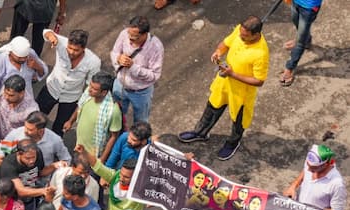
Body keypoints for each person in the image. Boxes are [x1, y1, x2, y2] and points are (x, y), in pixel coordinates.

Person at [178, 16, 269, 161]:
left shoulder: (261, 53)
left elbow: (259, 81)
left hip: (241, 93)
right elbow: (225, 43)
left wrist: (232, 74)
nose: (240, 36)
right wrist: (218, 52)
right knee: (211, 108)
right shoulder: (240, 32)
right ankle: (200, 133)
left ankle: (233, 142)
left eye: (245, 36)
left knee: (239, 121)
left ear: (256, 35)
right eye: (240, 33)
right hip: (224, 83)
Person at [38, 29, 101, 136]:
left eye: (76, 50)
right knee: (37, 118)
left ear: (84, 49)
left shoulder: (93, 62)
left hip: (71, 98)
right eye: (70, 48)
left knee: (59, 129)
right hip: (51, 89)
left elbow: (90, 87)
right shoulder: (61, 42)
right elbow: (46, 32)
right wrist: (51, 36)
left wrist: (74, 117)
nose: (71, 52)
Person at [109, 16, 163, 125]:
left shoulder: (156, 47)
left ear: (144, 34)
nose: (129, 39)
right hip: (120, 85)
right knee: (115, 116)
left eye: (134, 37)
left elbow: (154, 76)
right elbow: (114, 52)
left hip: (140, 92)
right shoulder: (124, 34)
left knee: (140, 123)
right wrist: (118, 58)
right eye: (129, 34)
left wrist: (133, 68)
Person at [77, 149, 145, 210]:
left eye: (126, 177)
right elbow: (98, 167)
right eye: (121, 174)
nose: (121, 178)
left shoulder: (142, 187)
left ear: (136, 177)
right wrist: (84, 152)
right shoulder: (114, 177)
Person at [64, 72, 122, 162]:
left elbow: (114, 136)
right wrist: (70, 121)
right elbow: (80, 106)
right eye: (90, 86)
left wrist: (102, 158)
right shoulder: (88, 93)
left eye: (94, 89)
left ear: (103, 92)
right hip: (79, 145)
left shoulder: (113, 110)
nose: (90, 89)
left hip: (93, 154)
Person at [0, 74, 39, 168]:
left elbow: (30, 133)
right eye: (5, 93)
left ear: (21, 93)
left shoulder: (31, 110)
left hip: (15, 141)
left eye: (11, 95)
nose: (6, 97)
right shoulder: (5, 92)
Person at [0, 36, 47, 105]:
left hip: (26, 102)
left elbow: (42, 74)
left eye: (25, 57)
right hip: (5, 104)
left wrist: (37, 66)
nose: (23, 60)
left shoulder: (30, 54)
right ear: (11, 52)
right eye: (19, 58)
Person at [0, 140, 57, 210]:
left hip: (30, 198)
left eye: (33, 157)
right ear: (19, 154)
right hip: (12, 201)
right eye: (27, 158)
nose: (31, 161)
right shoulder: (8, 165)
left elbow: (40, 172)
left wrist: (53, 166)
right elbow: (21, 191)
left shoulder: (38, 153)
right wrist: (44, 191)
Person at [0, 111, 71, 167]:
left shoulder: (55, 140)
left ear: (41, 130)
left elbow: (66, 159)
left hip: (43, 179)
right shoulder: (17, 133)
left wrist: (56, 171)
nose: (25, 130)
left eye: (30, 129)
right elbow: (2, 147)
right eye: (25, 126)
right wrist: (0, 156)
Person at [278, 0, 324, 87]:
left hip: (309, 7)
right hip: (296, 2)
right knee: (298, 24)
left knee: (300, 43)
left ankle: (289, 68)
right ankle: (305, 40)